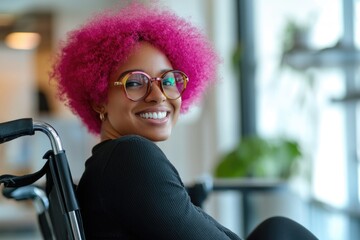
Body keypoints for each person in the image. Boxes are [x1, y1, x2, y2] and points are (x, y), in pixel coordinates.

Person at [51, 2, 318, 239]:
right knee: (279, 230)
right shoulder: (130, 157)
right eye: (134, 82)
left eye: (168, 81)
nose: (158, 96)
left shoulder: (109, 164)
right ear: (99, 99)